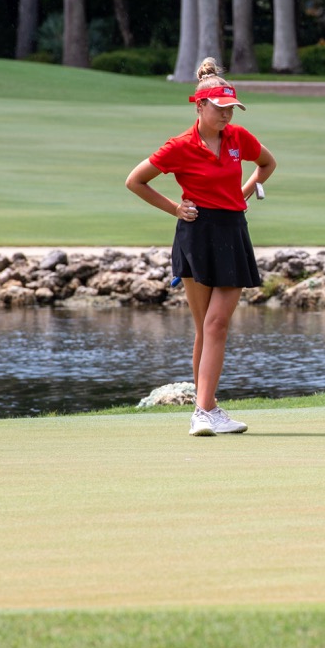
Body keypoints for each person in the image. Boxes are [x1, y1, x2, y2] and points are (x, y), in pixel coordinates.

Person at [125, 57, 277, 436]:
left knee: (216, 324)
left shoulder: (240, 139)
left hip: (232, 230)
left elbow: (268, 164)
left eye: (232, 109)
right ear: (200, 105)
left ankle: (204, 411)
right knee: (205, 327)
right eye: (220, 108)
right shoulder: (179, 146)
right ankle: (205, 411)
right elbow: (135, 181)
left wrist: (241, 193)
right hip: (196, 233)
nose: (227, 115)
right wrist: (175, 207)